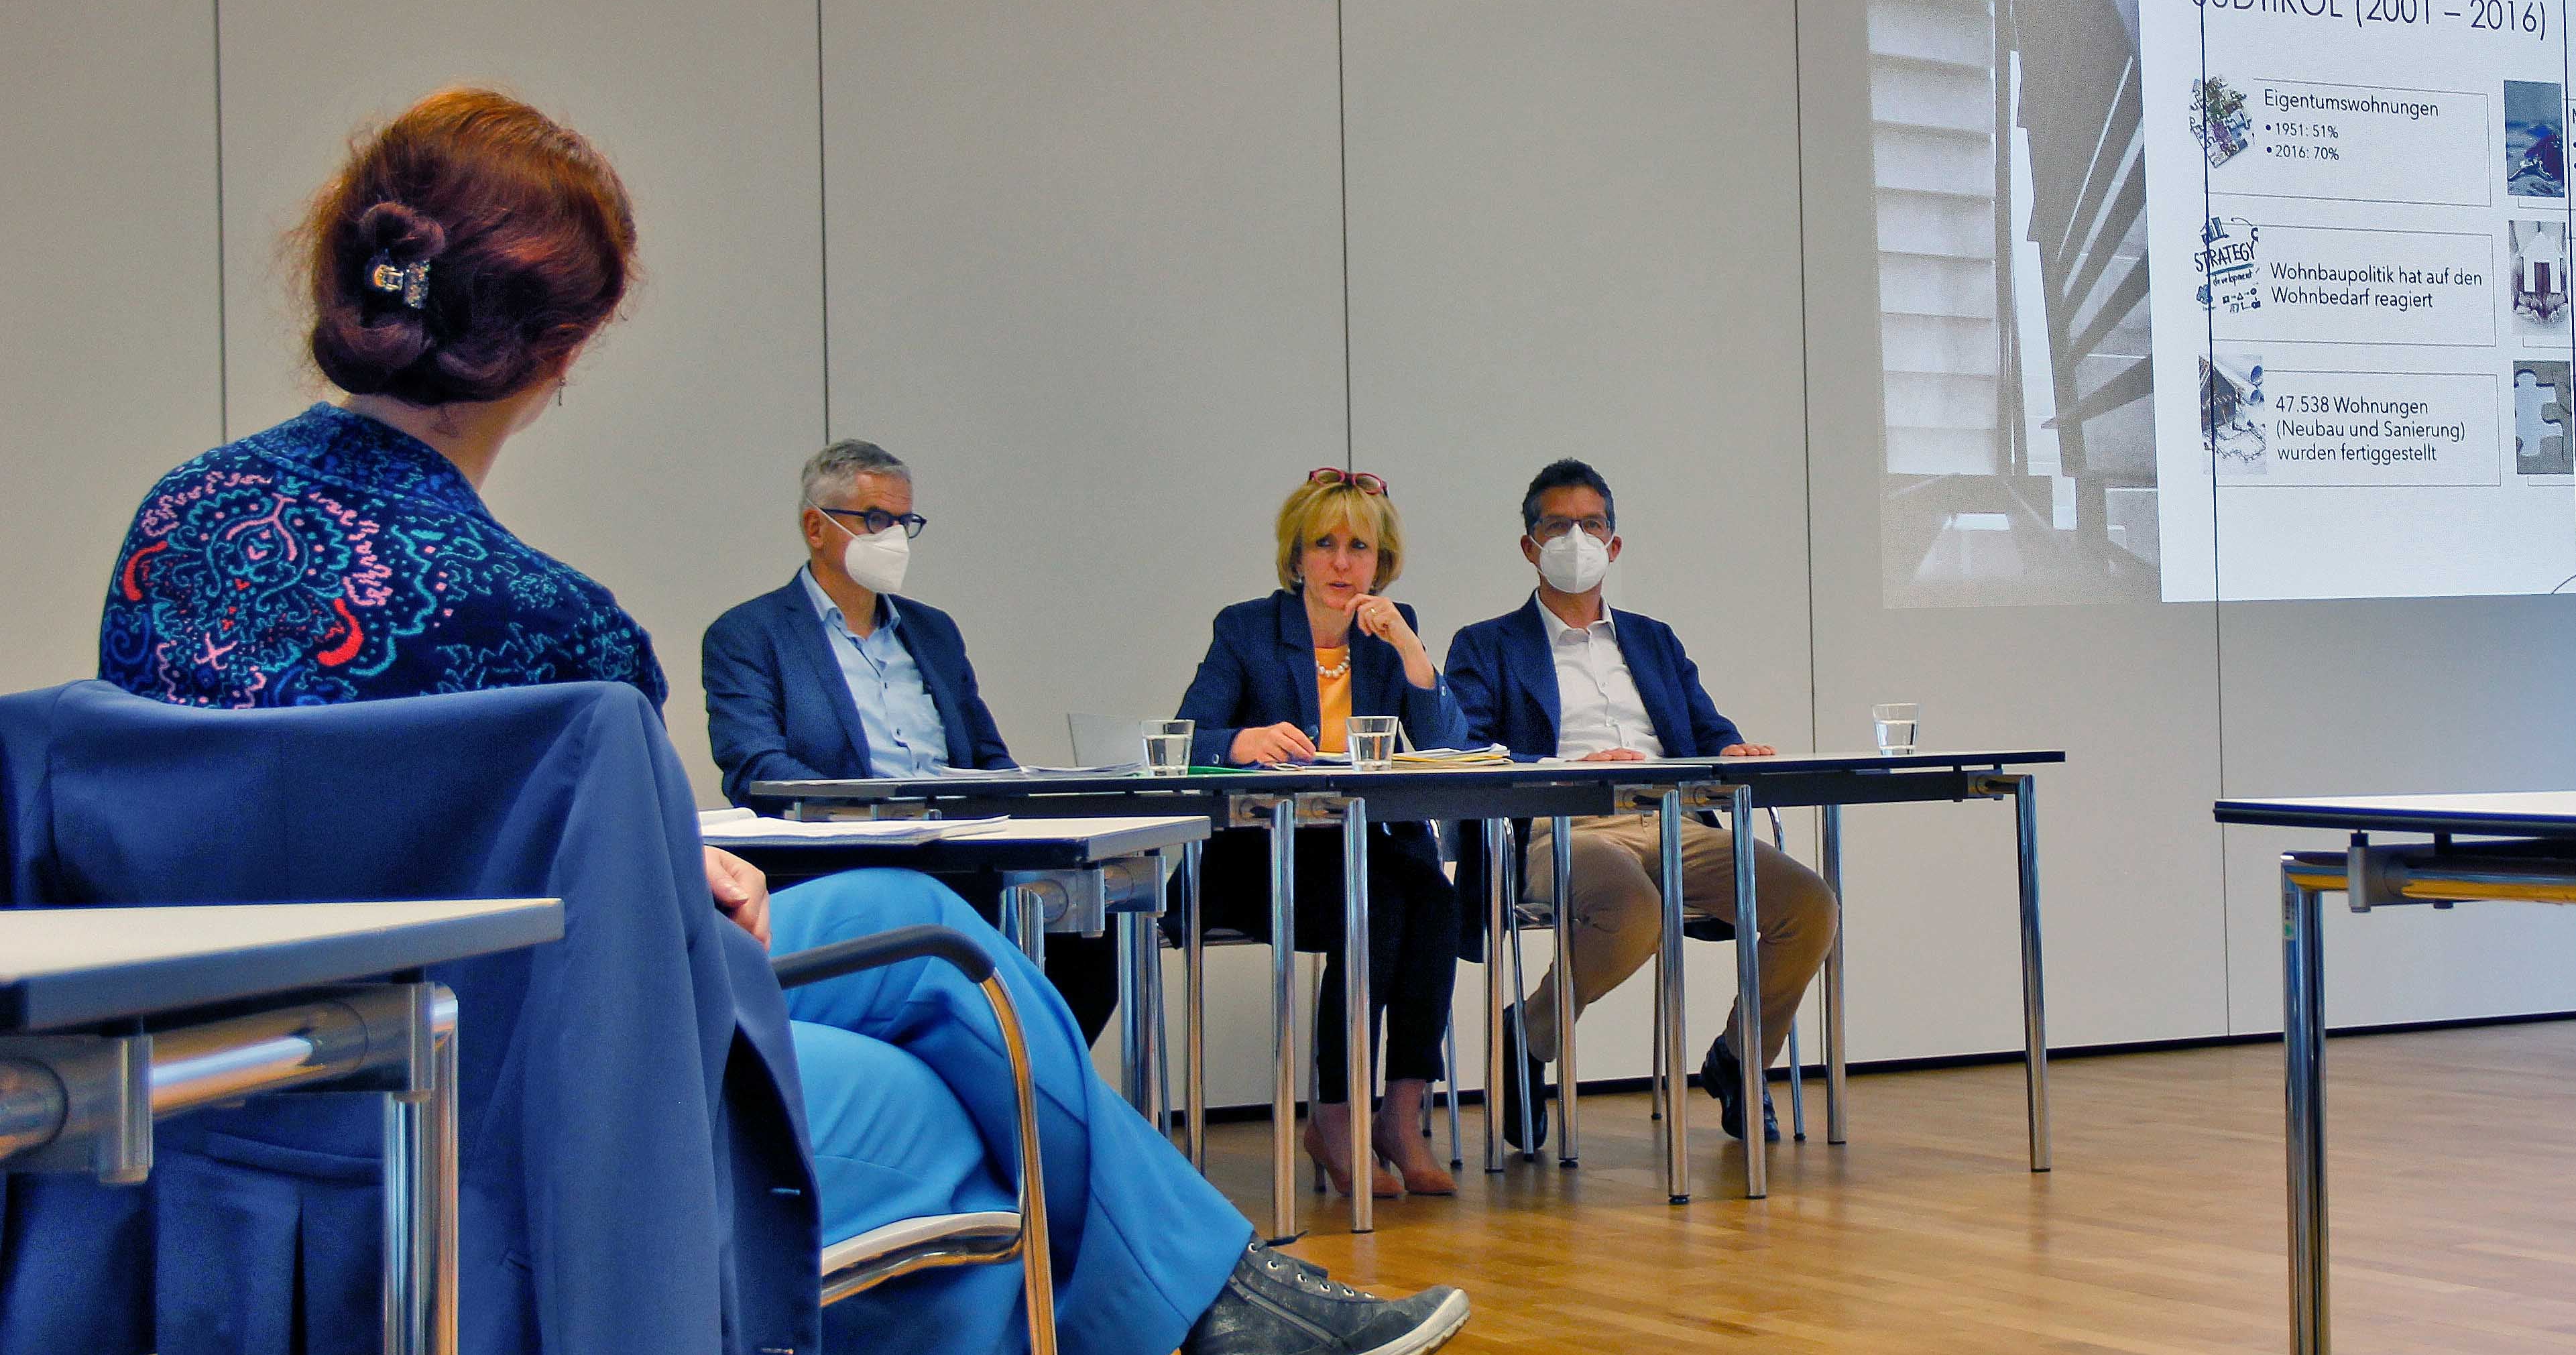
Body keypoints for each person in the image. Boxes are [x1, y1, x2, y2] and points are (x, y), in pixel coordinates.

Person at [98, 89, 1466, 1355]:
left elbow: (281, 811)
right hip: (522, 1118)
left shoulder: (174, 526)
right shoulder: (548, 625)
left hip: (240, 1098)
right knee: (955, 1136)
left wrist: (649, 865)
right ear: (562, 351)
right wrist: (662, 883)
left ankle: (1226, 1294)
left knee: (929, 938)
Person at [1441, 458, 1835, 1144]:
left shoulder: (1653, 638)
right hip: (1562, 827)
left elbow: (1706, 726)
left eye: (1591, 525)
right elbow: (1467, 749)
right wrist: (1567, 767)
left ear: (1614, 544)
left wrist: (1732, 748)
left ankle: (1738, 1058)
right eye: (1557, 526)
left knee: (1809, 905)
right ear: (1530, 547)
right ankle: (1530, 1033)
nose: (1576, 539)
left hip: (1672, 819)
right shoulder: (1487, 644)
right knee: (1632, 911)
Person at [701, 443, 1116, 1041]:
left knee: (1096, 923)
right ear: (816, 527)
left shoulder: (933, 630)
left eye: (904, 521)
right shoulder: (749, 634)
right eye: (875, 519)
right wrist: (881, 813)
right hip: (848, 860)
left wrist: (1020, 803)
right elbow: (756, 771)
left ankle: (1026, 1078)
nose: (894, 538)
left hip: (961, 849)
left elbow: (987, 757)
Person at [1174, 473, 1469, 1198]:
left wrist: (1410, 648)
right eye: (1324, 545)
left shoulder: (1390, 634)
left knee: (1436, 900)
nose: (1341, 563)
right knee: (1378, 905)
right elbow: (1186, 738)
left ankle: (1401, 1116)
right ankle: (1335, 1115)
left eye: (1359, 548)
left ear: (1382, 561)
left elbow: (1444, 747)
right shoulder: (1247, 629)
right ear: (1297, 556)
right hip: (1262, 855)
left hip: (1368, 847)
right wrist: (1240, 741)